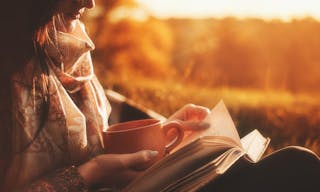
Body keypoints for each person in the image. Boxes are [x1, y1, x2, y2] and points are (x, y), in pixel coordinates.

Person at [0, 0, 319, 192]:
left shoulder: (64, 43)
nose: (90, 3)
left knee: (293, 164)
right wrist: (90, 174)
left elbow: (99, 125)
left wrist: (164, 132)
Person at [0, 0, 210, 191]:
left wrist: (160, 139)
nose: (90, 4)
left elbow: (105, 162)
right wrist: (90, 172)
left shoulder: (75, 59)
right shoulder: (8, 79)